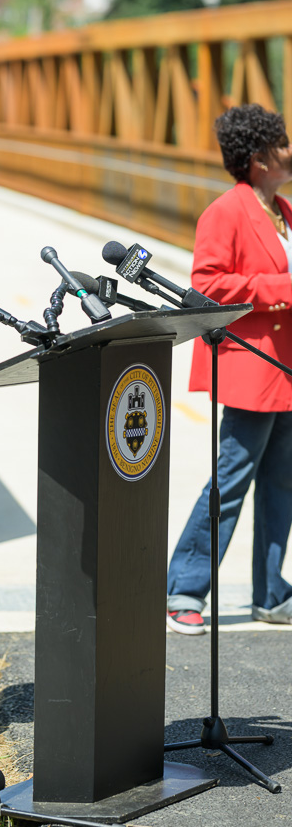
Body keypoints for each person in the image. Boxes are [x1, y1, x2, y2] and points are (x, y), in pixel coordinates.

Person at [167, 103, 292, 635]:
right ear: (260, 158)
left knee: (282, 483)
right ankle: (184, 589)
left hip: (285, 369)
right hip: (251, 368)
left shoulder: (284, 210)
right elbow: (208, 286)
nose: (290, 151)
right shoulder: (226, 212)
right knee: (231, 481)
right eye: (283, 143)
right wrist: (283, 289)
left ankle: (270, 592)